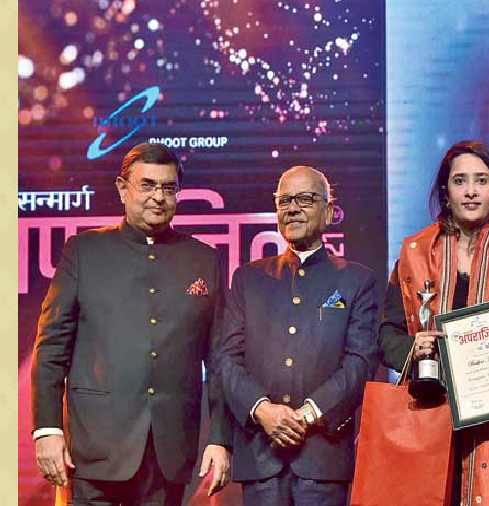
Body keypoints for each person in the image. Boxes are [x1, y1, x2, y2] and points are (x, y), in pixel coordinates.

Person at [30, 142, 232, 505]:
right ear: (123, 189)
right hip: (95, 449)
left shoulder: (203, 260)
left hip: (170, 452)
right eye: (147, 185)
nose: (158, 197)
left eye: (168, 188)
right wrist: (47, 430)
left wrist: (219, 437)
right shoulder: (84, 252)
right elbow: (51, 347)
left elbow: (219, 361)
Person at [379, 140, 489, 506]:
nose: (471, 191)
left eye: (481, 180)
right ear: (446, 191)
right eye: (460, 181)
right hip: (427, 417)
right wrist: (413, 346)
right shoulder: (413, 253)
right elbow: (386, 333)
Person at [215, 165, 379, 505]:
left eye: (305, 199)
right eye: (284, 200)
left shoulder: (356, 281)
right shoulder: (248, 279)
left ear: (330, 212)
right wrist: (263, 411)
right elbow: (227, 360)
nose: (292, 208)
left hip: (323, 459)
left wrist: (305, 414)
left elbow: (360, 362)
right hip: (261, 456)